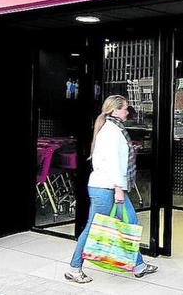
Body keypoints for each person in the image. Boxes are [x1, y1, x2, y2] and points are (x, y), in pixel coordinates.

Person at [65, 95, 158, 283]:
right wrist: (118, 189)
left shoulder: (115, 129)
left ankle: (138, 265)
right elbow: (113, 163)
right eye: (125, 108)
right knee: (93, 227)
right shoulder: (111, 132)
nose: (127, 112)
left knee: (130, 222)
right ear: (115, 110)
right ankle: (75, 267)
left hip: (111, 186)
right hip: (106, 188)